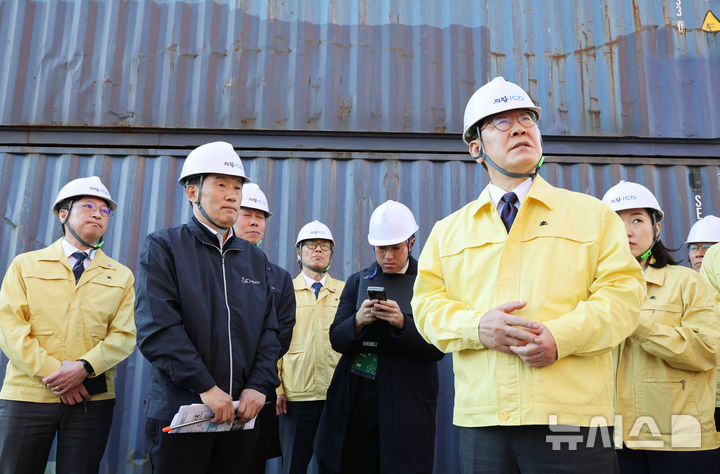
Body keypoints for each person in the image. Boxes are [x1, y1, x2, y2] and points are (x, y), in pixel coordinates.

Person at [411, 76, 646, 474]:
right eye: (501, 121)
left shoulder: (593, 216)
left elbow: (623, 298)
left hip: (573, 418)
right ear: (475, 148)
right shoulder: (448, 232)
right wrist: (476, 327)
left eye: (527, 118)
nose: (519, 128)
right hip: (483, 420)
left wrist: (560, 337)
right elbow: (426, 308)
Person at [134, 141, 280, 474]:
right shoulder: (164, 247)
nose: (232, 196)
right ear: (192, 192)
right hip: (183, 413)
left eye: (237, 187)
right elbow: (158, 329)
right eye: (221, 185)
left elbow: (270, 331)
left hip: (241, 416)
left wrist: (259, 385)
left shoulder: (254, 258)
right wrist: (206, 387)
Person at [0, 176, 136, 474]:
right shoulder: (25, 265)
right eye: (88, 206)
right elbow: (10, 329)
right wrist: (59, 376)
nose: (98, 214)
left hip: (90, 399)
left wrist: (83, 369)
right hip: (28, 396)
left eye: (105, 210)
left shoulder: (121, 275)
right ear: (63, 214)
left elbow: (124, 336)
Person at [315, 201, 444, 474]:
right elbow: (336, 338)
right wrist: (358, 321)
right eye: (381, 248)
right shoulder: (357, 281)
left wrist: (402, 323)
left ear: (411, 243)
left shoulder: (429, 283)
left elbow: (439, 346)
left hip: (407, 402)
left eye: (395, 248)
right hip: (358, 400)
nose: (388, 256)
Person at [601, 180, 719, 472]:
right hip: (616, 439)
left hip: (681, 440)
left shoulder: (688, 283)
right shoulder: (592, 289)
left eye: (637, 220)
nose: (627, 231)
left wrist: (636, 322)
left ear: (656, 228)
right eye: (615, 222)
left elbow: (706, 351)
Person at [233, 183, 297, 474]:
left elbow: (280, 337)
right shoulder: (206, 266)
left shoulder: (279, 278)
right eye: (247, 214)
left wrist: (256, 382)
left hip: (257, 392)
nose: (255, 222)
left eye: (260, 217)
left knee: (251, 461)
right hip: (211, 391)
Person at [276, 220, 344, 474]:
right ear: (299, 253)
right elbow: (273, 341)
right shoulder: (285, 291)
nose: (318, 249)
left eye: (324, 246)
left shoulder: (344, 291)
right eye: (311, 245)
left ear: (331, 254)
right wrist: (277, 388)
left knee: (335, 465)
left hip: (334, 395)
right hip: (295, 396)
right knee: (293, 466)